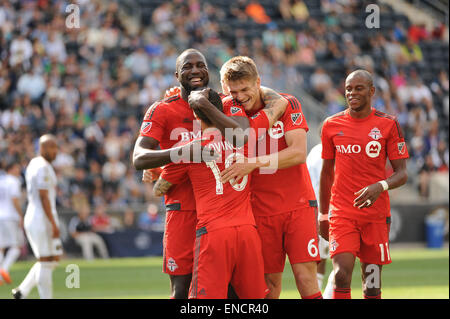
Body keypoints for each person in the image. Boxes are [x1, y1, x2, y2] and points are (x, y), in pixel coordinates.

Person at [133, 48, 288, 299]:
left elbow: (244, 133)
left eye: (200, 65)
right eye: (187, 67)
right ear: (176, 75)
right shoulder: (162, 109)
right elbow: (139, 158)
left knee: (230, 290)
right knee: (182, 290)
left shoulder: (226, 104)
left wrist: (166, 168)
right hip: (183, 212)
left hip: (223, 218)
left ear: (208, 71)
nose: (195, 70)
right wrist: (182, 153)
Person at [219, 56, 322, 299]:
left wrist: (253, 163)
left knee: (306, 278)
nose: (240, 96)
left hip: (297, 205)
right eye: (234, 91)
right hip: (259, 211)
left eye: (245, 89)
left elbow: (297, 153)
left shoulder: (288, 102)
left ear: (258, 82)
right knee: (268, 284)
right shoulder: (227, 111)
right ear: (225, 89)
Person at [153, 88, 269, 298]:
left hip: (214, 233)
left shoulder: (192, 149)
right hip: (247, 231)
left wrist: (156, 171)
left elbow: (159, 188)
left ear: (196, 116)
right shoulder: (245, 142)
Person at [319, 69, 409, 299]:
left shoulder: (389, 124)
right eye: (348, 89)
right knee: (341, 274)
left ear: (372, 91)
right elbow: (327, 172)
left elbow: (402, 174)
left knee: (372, 284)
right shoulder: (331, 124)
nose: (352, 93)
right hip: (343, 212)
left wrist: (380, 186)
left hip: (375, 216)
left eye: (358, 88)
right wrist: (323, 214)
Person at [12, 134, 63, 299]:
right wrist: (53, 223)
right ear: (42, 148)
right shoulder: (42, 167)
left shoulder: (34, 163)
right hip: (41, 218)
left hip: (36, 216)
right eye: (52, 147)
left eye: (56, 147)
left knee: (52, 259)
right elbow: (43, 196)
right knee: (46, 262)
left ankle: (22, 291)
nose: (55, 151)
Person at [306, 138, 334, 299]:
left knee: (319, 257)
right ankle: (327, 295)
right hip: (328, 210)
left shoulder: (313, 152)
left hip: (313, 208)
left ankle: (319, 293)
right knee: (341, 258)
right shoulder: (328, 152)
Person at [0, 162, 25, 286]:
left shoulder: (1, 180)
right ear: (11, 168)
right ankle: (4, 269)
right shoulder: (14, 181)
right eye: (17, 167)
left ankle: (0, 276)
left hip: (0, 216)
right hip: (10, 216)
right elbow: (14, 199)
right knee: (16, 247)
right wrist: (21, 215)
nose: (19, 170)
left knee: (1, 247)